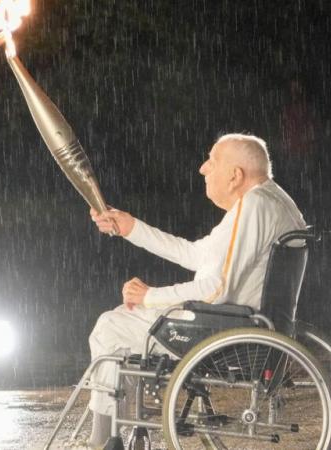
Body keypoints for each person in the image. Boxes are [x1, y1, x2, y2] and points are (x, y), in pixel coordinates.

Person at [84, 133, 306, 448]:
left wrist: (151, 296)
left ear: (235, 176)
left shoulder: (256, 205)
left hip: (225, 329)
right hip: (239, 322)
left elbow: (217, 287)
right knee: (124, 320)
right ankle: (128, 428)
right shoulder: (269, 199)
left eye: (212, 161)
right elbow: (196, 254)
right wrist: (130, 227)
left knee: (111, 326)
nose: (203, 168)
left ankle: (105, 438)